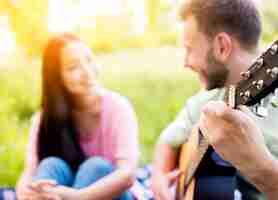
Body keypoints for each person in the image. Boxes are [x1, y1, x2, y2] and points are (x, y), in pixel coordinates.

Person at [150, 0, 278, 199]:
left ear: (221, 46)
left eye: (189, 49)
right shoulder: (205, 104)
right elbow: (167, 141)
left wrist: (261, 167)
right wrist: (159, 178)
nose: (186, 62)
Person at [16, 33, 140, 200]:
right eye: (73, 67)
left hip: (112, 196)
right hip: (67, 191)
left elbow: (128, 174)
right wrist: (26, 191)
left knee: (96, 168)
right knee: (50, 165)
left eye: (89, 60)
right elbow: (29, 172)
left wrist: (79, 196)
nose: (87, 72)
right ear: (57, 77)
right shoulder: (46, 118)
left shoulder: (118, 108)